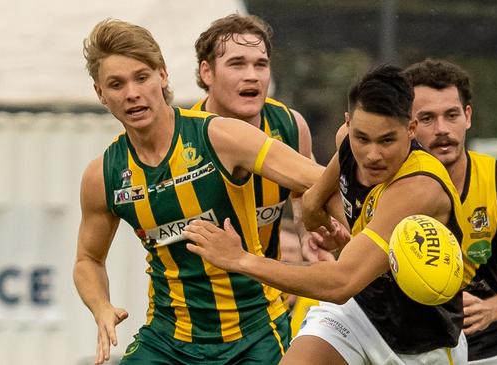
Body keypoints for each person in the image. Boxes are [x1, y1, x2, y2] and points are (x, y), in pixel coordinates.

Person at [73, 18, 323, 365]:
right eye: (116, 84)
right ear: (100, 93)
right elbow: (87, 259)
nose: (132, 93)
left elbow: (316, 179)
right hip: (168, 339)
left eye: (141, 77)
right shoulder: (104, 174)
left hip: (254, 332)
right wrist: (100, 307)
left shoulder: (219, 136)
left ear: (162, 75)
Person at [184, 65, 469, 364]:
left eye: (387, 141)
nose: (372, 154)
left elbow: (340, 283)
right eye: (362, 138)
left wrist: (240, 259)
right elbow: (312, 201)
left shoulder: (419, 188)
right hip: (356, 313)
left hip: (420, 343)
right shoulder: (346, 141)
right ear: (348, 123)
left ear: (411, 129)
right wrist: (327, 228)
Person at [404, 59, 497, 364]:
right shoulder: (391, 185)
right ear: (408, 125)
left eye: (451, 115)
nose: (441, 130)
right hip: (411, 349)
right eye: (427, 118)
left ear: (467, 116)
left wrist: (495, 308)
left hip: (491, 350)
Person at [192, 14, 344, 263]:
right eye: (237, 64)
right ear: (207, 72)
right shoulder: (182, 135)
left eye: (261, 64)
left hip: (266, 296)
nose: (252, 75)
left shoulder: (291, 126)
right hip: (188, 300)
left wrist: (308, 235)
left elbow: (301, 197)